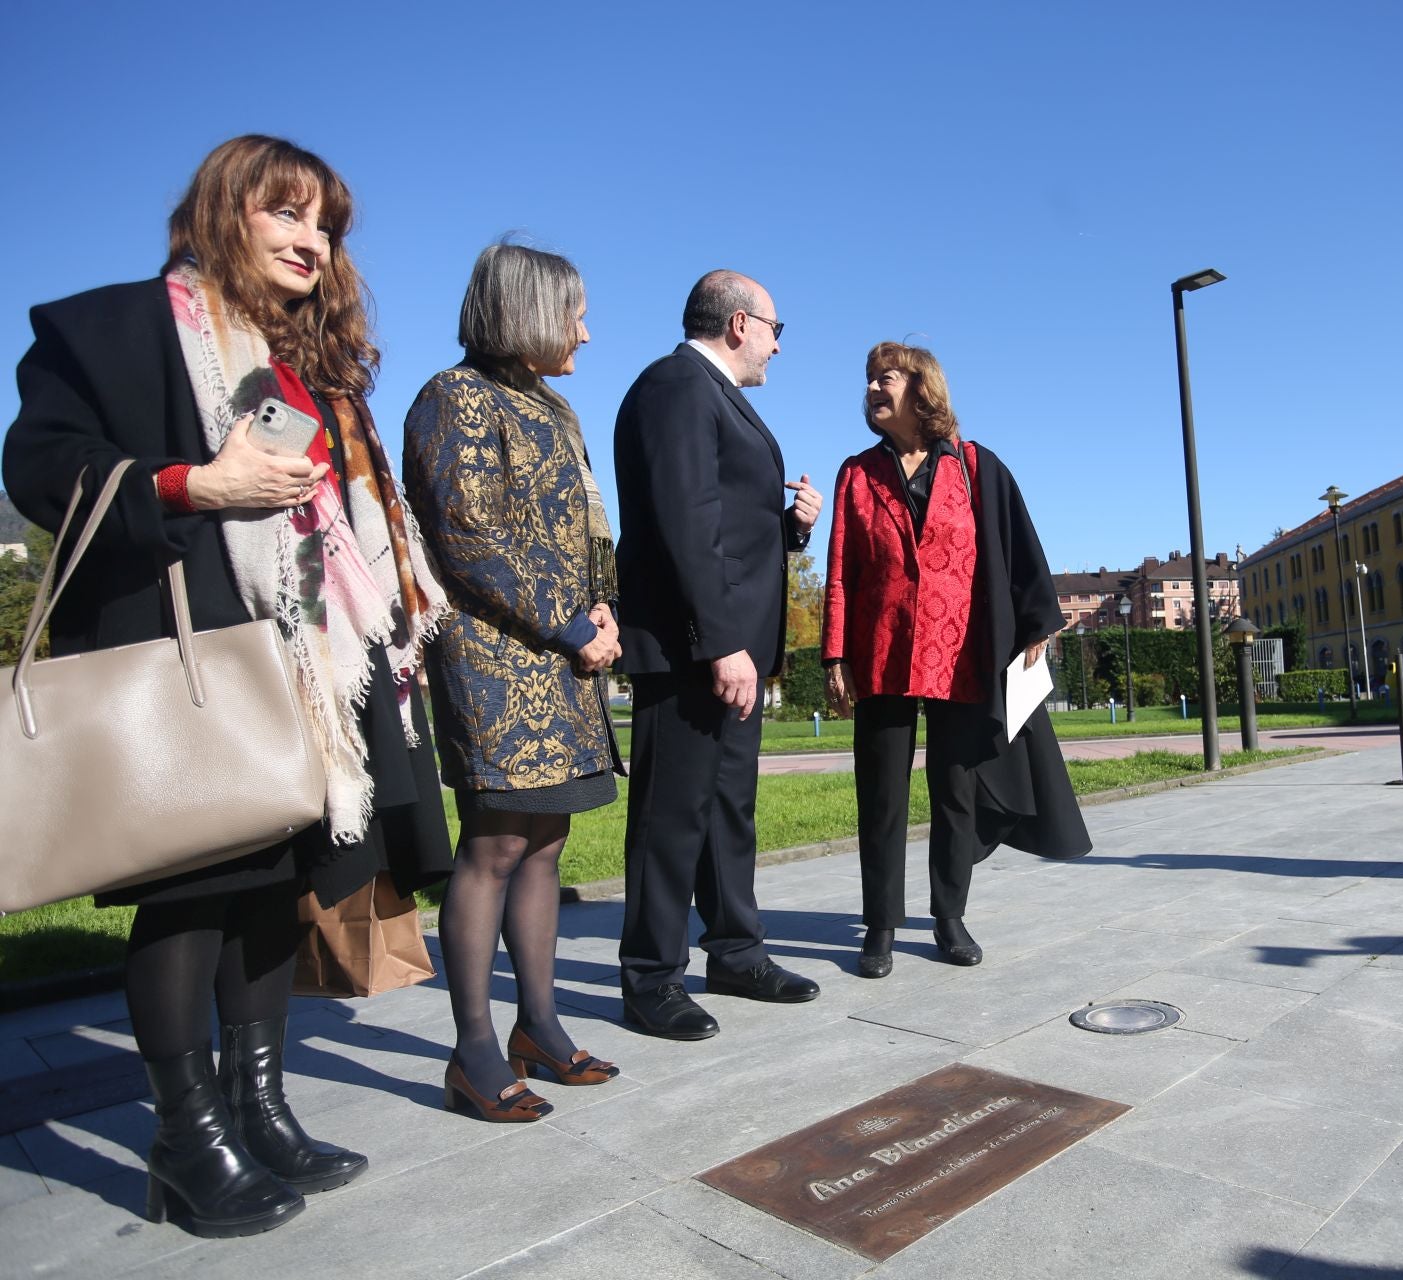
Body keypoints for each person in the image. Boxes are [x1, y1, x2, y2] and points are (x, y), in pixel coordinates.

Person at [2, 135, 452, 1236]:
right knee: (191, 885)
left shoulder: (300, 356)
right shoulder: (119, 326)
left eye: (327, 225)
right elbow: (36, 459)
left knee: (272, 884)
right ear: (224, 212)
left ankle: (260, 1107)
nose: (312, 240)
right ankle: (184, 1137)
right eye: (287, 214)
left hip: (305, 655)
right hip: (190, 640)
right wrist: (189, 481)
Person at [403, 243, 623, 1121]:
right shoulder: (450, 398)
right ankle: (474, 1052)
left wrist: (604, 611)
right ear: (527, 311)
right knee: (492, 848)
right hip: (494, 659)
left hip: (569, 656)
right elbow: (467, 537)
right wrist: (571, 626)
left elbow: (589, 529)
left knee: (545, 843)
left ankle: (539, 1025)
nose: (585, 331)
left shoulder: (556, 408)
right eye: (574, 313)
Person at [822, 342, 1091, 978]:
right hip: (881, 652)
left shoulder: (975, 466)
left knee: (956, 790)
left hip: (961, 651)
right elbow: (840, 572)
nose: (871, 390)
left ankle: (948, 916)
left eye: (883, 378)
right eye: (867, 381)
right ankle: (880, 925)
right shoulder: (856, 473)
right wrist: (835, 653)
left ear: (922, 388)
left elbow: (1020, 548)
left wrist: (1036, 628)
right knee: (881, 795)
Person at [611, 270, 823, 1038]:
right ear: (739, 324)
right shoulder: (676, 387)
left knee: (728, 810)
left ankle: (734, 951)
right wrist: (720, 642)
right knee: (672, 816)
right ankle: (650, 978)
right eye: (775, 327)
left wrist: (790, 526)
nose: (776, 344)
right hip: (690, 650)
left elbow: (726, 523)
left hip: (730, 649)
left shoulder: (715, 397)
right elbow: (683, 521)